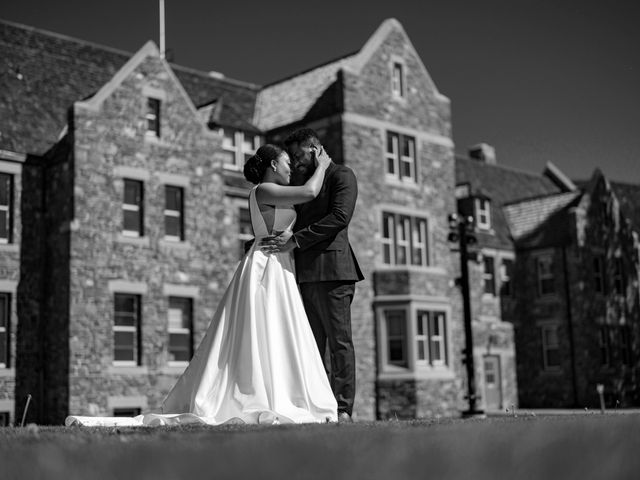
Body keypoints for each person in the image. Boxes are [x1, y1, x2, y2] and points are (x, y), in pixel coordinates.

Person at [66, 144, 337, 427]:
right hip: (264, 266)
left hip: (280, 263)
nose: (290, 168)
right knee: (261, 326)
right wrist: (323, 165)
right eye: (285, 163)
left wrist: (289, 235)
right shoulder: (263, 190)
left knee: (280, 328)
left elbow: (289, 218)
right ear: (272, 166)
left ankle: (284, 391)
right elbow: (310, 192)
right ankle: (260, 392)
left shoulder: (276, 193)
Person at [260, 128, 364, 423]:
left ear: (316, 149)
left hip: (334, 273)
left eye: (299, 155)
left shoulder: (342, 176)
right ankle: (317, 406)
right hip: (303, 275)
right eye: (291, 158)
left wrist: (296, 241)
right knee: (311, 345)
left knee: (339, 343)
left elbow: (339, 218)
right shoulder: (305, 183)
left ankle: (343, 409)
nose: (295, 162)